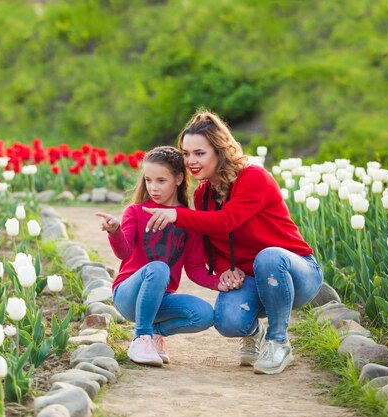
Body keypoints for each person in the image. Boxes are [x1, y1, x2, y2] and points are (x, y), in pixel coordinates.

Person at [143, 110, 323, 375]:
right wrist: (225, 272)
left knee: (269, 257)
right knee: (228, 322)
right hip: (250, 278)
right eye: (186, 153)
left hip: (295, 273)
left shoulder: (253, 178)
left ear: (220, 151)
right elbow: (212, 243)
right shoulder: (204, 194)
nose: (190, 161)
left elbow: (227, 221)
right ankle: (253, 333)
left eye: (199, 153)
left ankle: (278, 341)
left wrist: (177, 215)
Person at [96, 146, 239, 367]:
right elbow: (123, 252)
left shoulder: (189, 221)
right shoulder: (135, 211)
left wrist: (218, 283)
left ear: (179, 179)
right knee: (159, 268)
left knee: (204, 315)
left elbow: (195, 269)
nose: (153, 187)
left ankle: (154, 333)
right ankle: (140, 338)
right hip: (128, 294)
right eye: (149, 180)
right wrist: (115, 231)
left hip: (159, 300)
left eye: (161, 181)